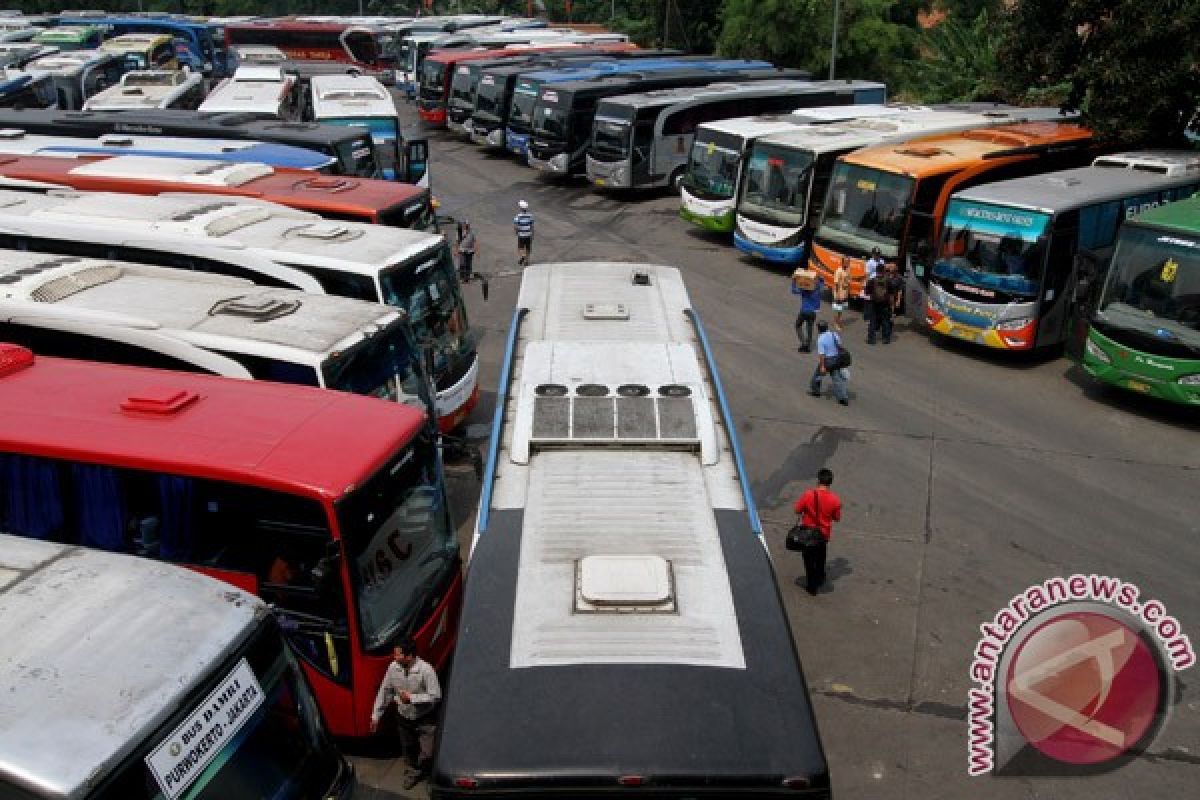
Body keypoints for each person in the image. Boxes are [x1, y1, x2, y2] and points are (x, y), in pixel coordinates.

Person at [370, 638, 442, 789]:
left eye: (397, 655)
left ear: (409, 656)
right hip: (403, 718)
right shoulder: (393, 668)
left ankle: (427, 771)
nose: (394, 658)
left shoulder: (426, 670)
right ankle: (413, 772)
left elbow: (435, 696)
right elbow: (385, 691)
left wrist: (412, 698)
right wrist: (375, 716)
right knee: (408, 749)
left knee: (428, 753)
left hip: (425, 719)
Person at [793, 468, 843, 595]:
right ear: (830, 482)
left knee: (809, 560)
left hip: (808, 534)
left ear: (818, 480)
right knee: (821, 558)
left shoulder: (808, 494)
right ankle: (820, 577)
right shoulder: (835, 500)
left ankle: (811, 586)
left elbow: (797, 510)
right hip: (823, 535)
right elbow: (837, 518)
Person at [809, 320, 849, 406]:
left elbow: (822, 355)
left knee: (817, 376)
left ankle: (816, 391)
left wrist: (823, 366)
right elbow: (840, 346)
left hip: (827, 361)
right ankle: (843, 398)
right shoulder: (834, 334)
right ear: (827, 327)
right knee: (837, 379)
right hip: (837, 359)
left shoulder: (821, 339)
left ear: (819, 329)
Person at [864, 263, 898, 345]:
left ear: (876, 271)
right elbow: (892, 294)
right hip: (885, 304)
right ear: (883, 271)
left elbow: (866, 292)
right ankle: (885, 339)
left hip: (874, 303)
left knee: (872, 321)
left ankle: (871, 340)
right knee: (885, 321)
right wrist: (892, 305)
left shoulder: (872, 281)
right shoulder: (888, 281)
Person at [792, 273, 824, 352]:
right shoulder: (817, 289)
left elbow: (794, 290)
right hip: (813, 312)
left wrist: (793, 280)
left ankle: (803, 343)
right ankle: (808, 346)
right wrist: (821, 279)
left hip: (804, 311)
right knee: (809, 328)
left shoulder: (804, 290)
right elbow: (822, 284)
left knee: (798, 325)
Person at [514, 199, 535, 266]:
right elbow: (532, 226)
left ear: (520, 208)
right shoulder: (530, 216)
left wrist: (516, 232)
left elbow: (516, 226)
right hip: (528, 234)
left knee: (520, 248)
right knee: (528, 248)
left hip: (521, 235)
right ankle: (527, 261)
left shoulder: (518, 216)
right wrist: (532, 234)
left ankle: (523, 256)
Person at [832, 258, 850, 327]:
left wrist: (848, 291)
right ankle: (836, 323)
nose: (847, 264)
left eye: (848, 262)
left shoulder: (848, 270)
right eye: (846, 262)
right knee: (837, 309)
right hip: (839, 293)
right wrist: (836, 295)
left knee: (841, 309)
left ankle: (838, 321)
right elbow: (836, 283)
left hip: (844, 293)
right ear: (842, 263)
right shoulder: (838, 271)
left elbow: (848, 280)